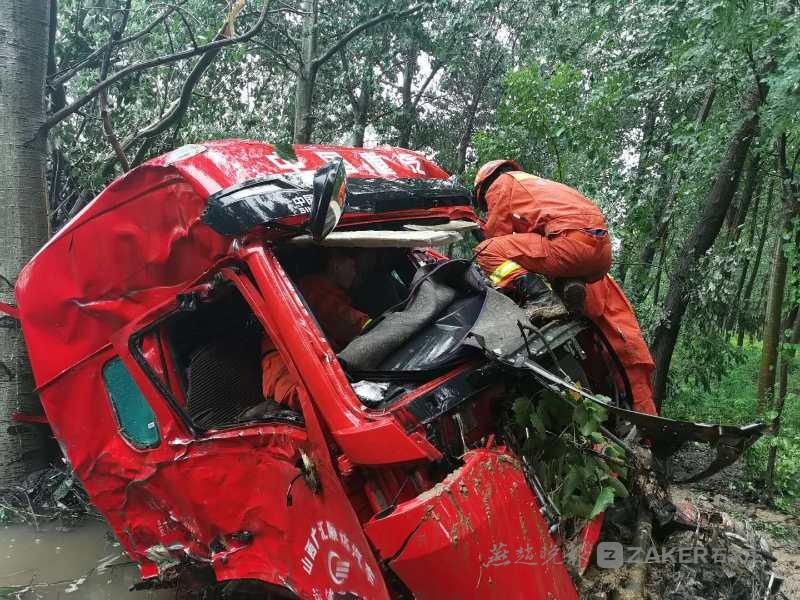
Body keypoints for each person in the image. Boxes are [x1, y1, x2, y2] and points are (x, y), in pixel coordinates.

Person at [473, 160, 657, 415]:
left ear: (483, 186)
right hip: (598, 256)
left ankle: (541, 297)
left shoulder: (502, 184)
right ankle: (568, 286)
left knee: (486, 250)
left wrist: (477, 226)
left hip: (570, 245)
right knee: (605, 348)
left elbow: (494, 237)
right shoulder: (540, 188)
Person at [258, 249, 369, 412]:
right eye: (353, 265)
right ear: (335, 263)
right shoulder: (314, 289)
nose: (356, 272)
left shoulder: (328, 290)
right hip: (291, 382)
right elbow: (349, 323)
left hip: (311, 378)